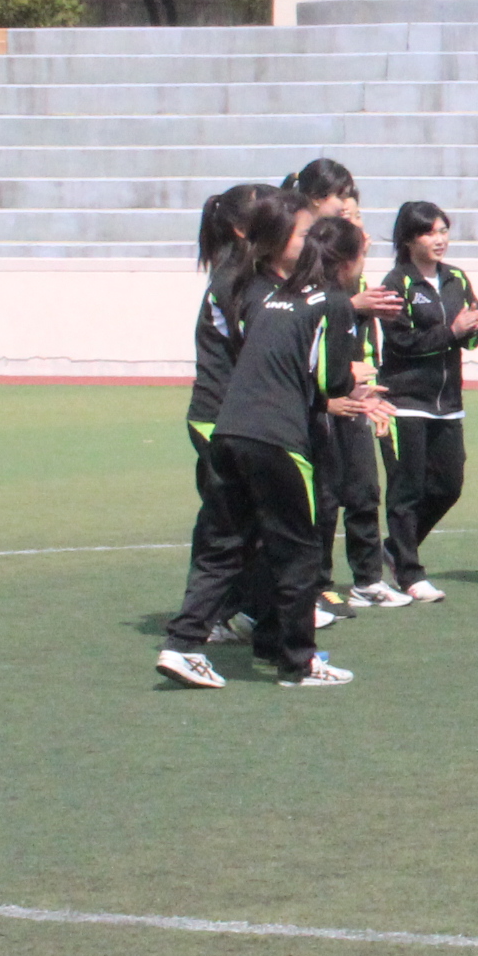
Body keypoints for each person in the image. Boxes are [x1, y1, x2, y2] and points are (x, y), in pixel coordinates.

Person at [209, 215, 391, 688]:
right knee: (299, 549)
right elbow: (326, 378)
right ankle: (298, 661)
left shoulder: (277, 296)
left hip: (235, 428)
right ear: (348, 262)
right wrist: (352, 386)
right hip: (279, 436)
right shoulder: (330, 302)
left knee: (257, 542)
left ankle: (254, 638)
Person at [155, 184, 295, 688]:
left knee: (247, 529)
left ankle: (255, 624)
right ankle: (202, 630)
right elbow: (260, 354)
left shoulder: (251, 276)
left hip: (238, 417)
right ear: (243, 228)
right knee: (236, 530)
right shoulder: (239, 281)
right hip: (227, 418)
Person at [289, 159, 405, 614]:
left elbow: (356, 333)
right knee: (323, 494)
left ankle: (368, 578)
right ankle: (316, 584)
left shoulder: (349, 271)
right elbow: (310, 327)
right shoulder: (304, 267)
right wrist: (353, 304)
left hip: (350, 388)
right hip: (321, 396)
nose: (350, 215)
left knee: (363, 487)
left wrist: (367, 382)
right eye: (343, 204)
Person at [376, 200, 478, 601]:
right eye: (429, 232)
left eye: (443, 231)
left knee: (448, 486)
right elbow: (402, 343)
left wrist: (474, 329)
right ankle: (409, 572)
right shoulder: (396, 283)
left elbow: (471, 334)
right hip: (404, 400)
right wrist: (452, 332)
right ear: (408, 239)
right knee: (406, 490)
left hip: (448, 402)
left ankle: (396, 548)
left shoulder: (455, 277)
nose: (439, 239)